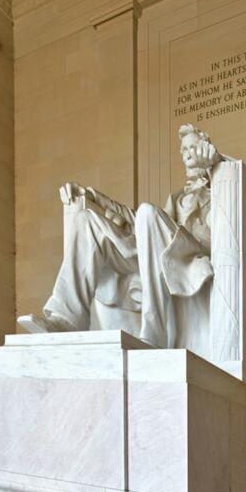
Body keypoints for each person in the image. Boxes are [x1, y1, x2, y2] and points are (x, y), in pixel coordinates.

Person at [39, 123, 220, 349]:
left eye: (193, 147)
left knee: (147, 213)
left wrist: (218, 165)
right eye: (183, 150)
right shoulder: (176, 199)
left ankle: (155, 332)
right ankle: (67, 318)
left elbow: (237, 211)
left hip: (190, 257)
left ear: (206, 146)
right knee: (86, 219)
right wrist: (95, 198)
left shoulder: (222, 188)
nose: (187, 154)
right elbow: (140, 222)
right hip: (158, 252)